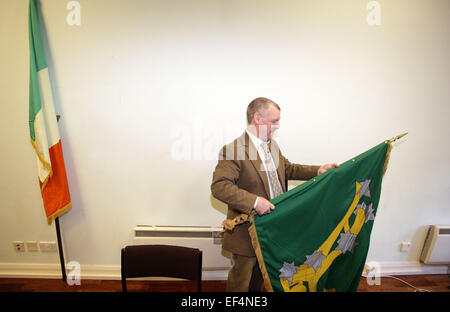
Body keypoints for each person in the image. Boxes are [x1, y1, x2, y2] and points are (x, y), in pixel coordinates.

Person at [211, 97, 339, 292]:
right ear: (257, 119)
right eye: (274, 121)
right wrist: (254, 202)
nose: (278, 126)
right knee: (241, 283)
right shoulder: (233, 150)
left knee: (258, 280)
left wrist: (318, 170)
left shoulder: (271, 145)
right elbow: (220, 186)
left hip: (273, 228)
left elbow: (288, 169)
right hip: (247, 232)